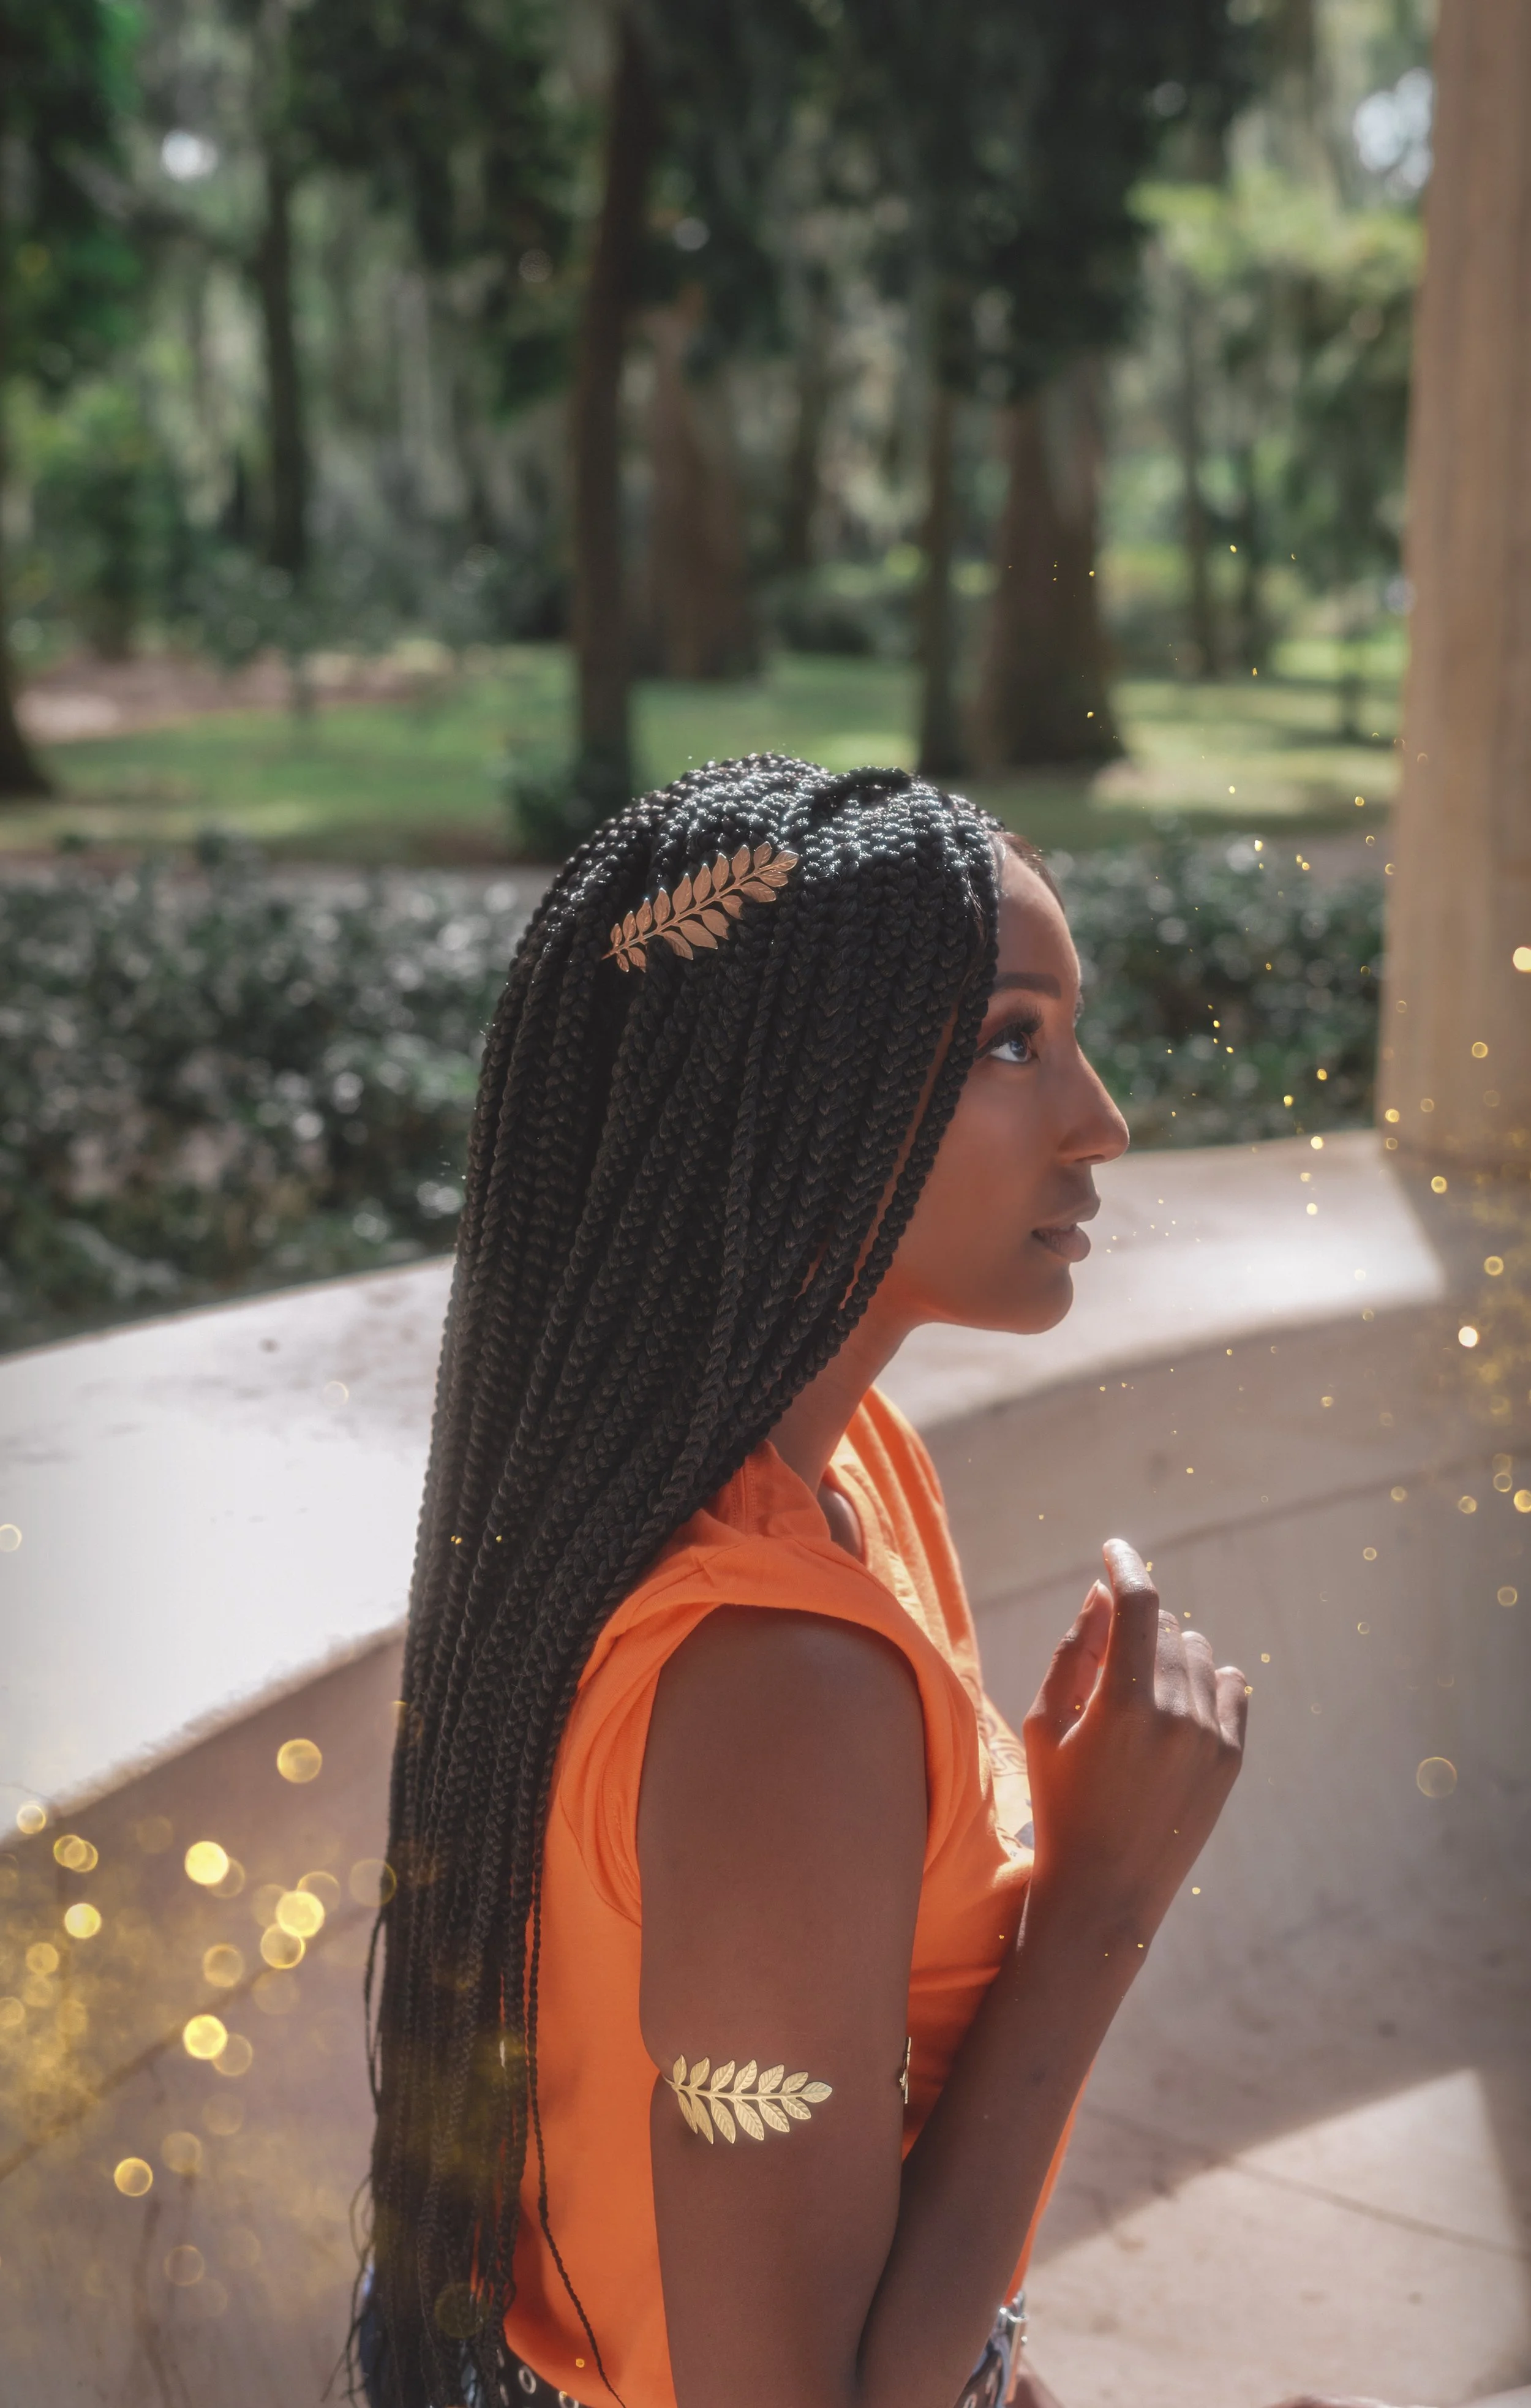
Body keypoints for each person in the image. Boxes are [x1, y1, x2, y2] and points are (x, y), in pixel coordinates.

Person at [356, 757, 1399, 2408]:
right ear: (787, 1105)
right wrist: (1099, 1897)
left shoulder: (836, 1478)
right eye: (1012, 1039)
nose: (1101, 1119)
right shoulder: (776, 1678)